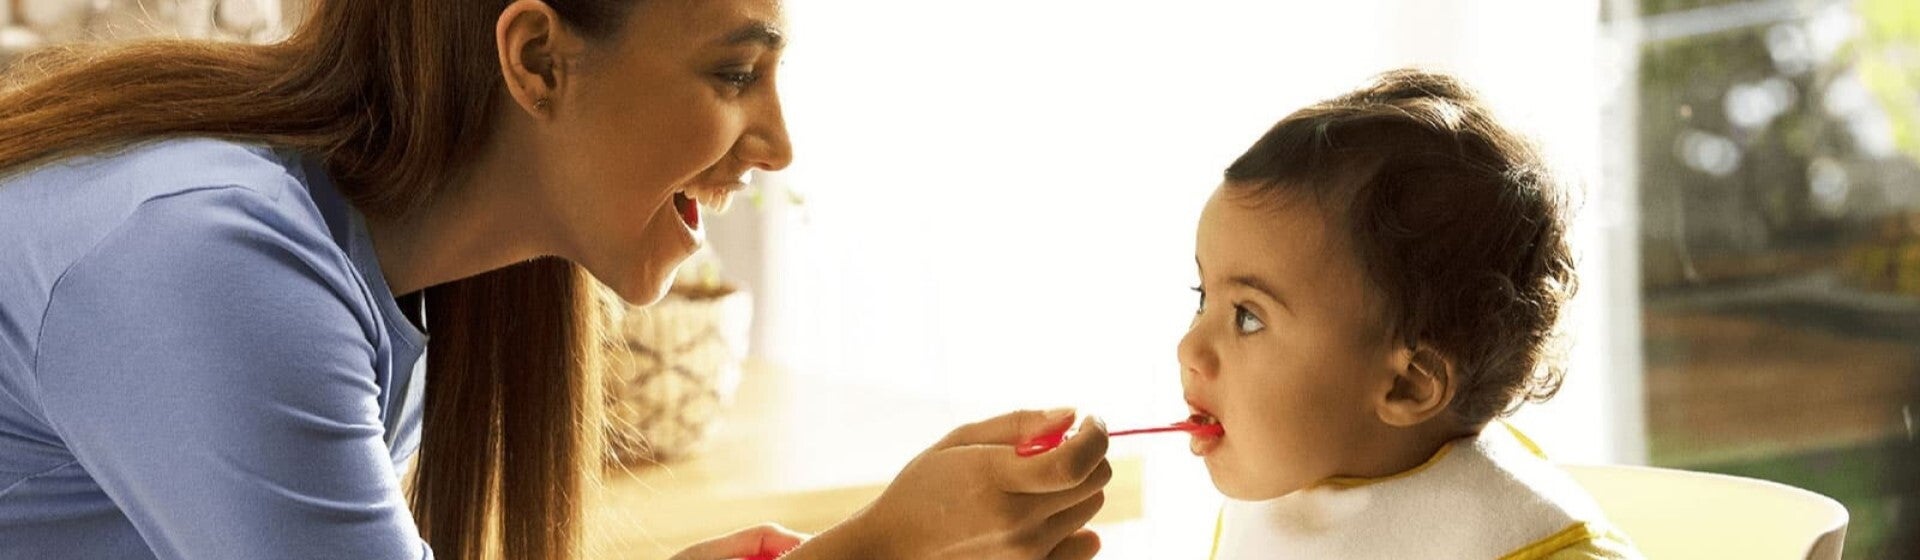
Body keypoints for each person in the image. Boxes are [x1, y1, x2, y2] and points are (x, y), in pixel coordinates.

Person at [0, 1, 1111, 559]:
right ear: (536, 58)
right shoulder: (213, 261)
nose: (777, 143)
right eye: (736, 72)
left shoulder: (414, 278)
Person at [1178, 69, 1644, 559]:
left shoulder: (1533, 544)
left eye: (1248, 317)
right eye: (1202, 296)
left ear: (1410, 383)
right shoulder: (1274, 514)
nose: (1188, 347)